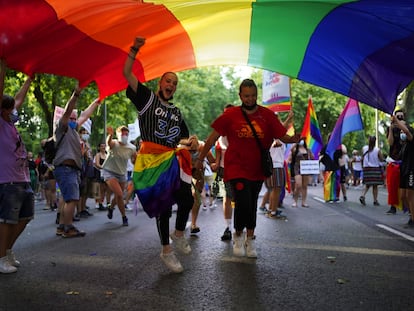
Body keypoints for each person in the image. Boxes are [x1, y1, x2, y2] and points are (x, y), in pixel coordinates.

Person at [196, 79, 299, 258]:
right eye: (246, 96)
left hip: (257, 169)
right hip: (236, 169)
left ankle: (250, 239)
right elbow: (212, 138)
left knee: (251, 204)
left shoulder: (267, 115)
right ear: (240, 96)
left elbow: (281, 135)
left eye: (253, 96)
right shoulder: (231, 115)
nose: (250, 99)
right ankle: (237, 235)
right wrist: (200, 159)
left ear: (257, 95)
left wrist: (293, 139)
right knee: (243, 201)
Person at [124, 37, 194, 273]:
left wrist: (191, 141)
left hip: (170, 158)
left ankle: (179, 233)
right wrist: (134, 50)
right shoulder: (147, 99)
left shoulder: (176, 111)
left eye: (174, 83)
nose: (171, 85)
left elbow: (182, 138)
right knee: (163, 206)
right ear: (160, 83)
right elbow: (127, 73)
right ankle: (166, 250)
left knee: (188, 198)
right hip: (150, 160)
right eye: (168, 80)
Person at [53, 89, 101, 238]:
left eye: (75, 119)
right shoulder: (62, 128)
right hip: (66, 169)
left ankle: (62, 226)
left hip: (71, 169)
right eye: (71, 118)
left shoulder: (74, 131)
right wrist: (76, 95)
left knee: (68, 198)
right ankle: (68, 228)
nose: (74, 121)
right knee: (72, 199)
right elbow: (68, 111)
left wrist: (98, 100)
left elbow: (85, 114)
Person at [0, 60, 33, 274]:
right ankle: (2, 257)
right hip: (8, 180)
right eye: (10, 108)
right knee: (7, 220)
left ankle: (8, 250)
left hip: (23, 179)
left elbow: (19, 98)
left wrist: (30, 78)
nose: (14, 111)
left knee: (25, 217)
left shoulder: (11, 122)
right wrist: (2, 67)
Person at [102, 126, 137, 226]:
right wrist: (110, 135)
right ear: (117, 135)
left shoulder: (132, 147)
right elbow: (109, 143)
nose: (124, 136)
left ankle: (111, 208)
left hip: (122, 173)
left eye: (126, 134)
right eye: (122, 133)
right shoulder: (114, 143)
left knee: (118, 195)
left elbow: (134, 159)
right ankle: (124, 217)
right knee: (120, 194)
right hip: (109, 171)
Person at [390, 115, 414, 228]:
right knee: (403, 196)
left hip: (411, 171)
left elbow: (406, 131)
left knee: (410, 195)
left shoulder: (411, 139)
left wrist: (396, 120)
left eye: (402, 129)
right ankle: (411, 215)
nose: (401, 132)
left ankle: (413, 220)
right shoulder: (403, 145)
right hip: (404, 171)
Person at [385, 110, 405, 215]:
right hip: (393, 160)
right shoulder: (390, 129)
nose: (400, 119)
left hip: (405, 160)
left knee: (405, 186)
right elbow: (390, 142)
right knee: (392, 185)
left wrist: (403, 128)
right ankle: (393, 206)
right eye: (398, 117)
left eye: (401, 117)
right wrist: (391, 130)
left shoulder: (406, 129)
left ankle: (406, 207)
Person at [289, 138, 314, 207]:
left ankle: (304, 202)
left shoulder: (307, 150)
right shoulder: (295, 150)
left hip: (305, 168)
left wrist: (310, 153)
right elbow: (291, 151)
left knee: (304, 186)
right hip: (297, 168)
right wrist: (295, 143)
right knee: (298, 185)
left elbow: (312, 157)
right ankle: (295, 201)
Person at [359, 136, 384, 206]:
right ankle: (375, 200)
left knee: (367, 184)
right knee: (375, 186)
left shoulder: (364, 148)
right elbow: (381, 159)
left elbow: (362, 158)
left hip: (366, 168)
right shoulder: (377, 150)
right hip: (375, 169)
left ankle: (362, 195)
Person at [94, 143, 111, 210]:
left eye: (104, 146)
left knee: (107, 189)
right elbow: (97, 164)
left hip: (107, 173)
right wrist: (103, 168)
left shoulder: (107, 155)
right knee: (101, 189)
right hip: (100, 173)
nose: (103, 147)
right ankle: (100, 203)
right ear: (99, 148)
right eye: (102, 146)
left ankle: (107, 203)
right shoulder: (98, 155)